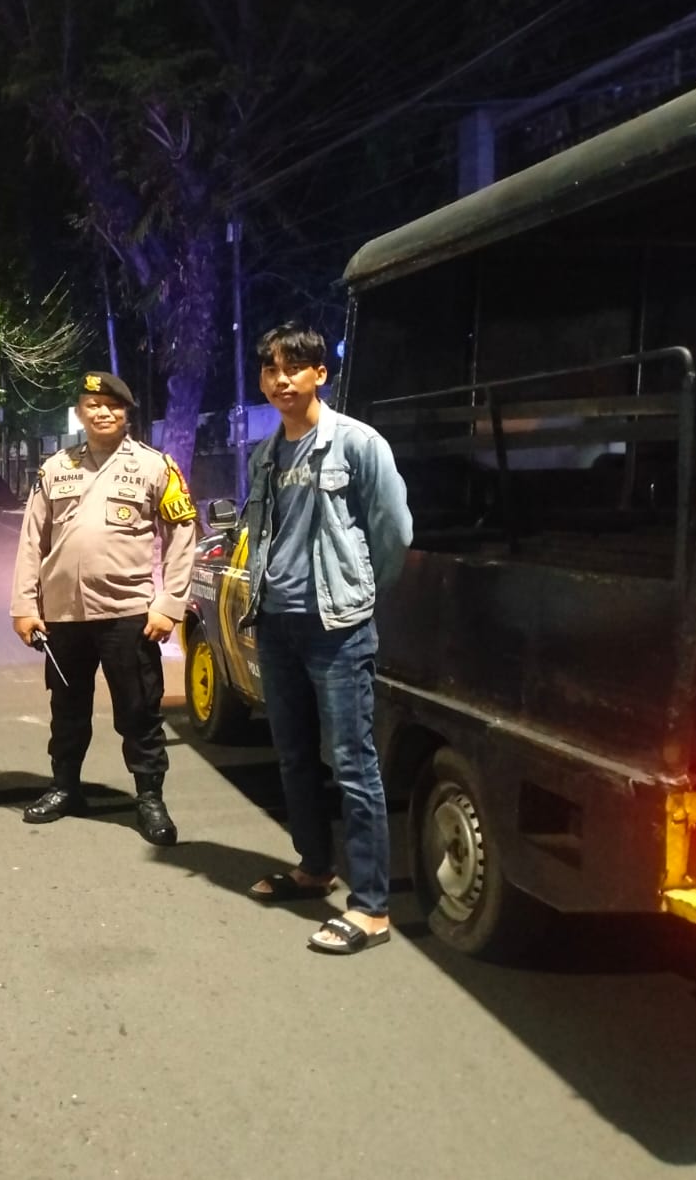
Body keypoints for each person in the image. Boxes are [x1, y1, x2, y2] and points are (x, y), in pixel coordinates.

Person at [240, 322, 413, 956]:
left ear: (320, 373)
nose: (280, 379)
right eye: (270, 369)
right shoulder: (265, 455)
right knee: (292, 755)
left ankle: (371, 908)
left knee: (352, 764)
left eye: (293, 367)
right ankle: (314, 868)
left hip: (336, 628)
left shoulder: (358, 444)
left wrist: (359, 594)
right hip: (277, 623)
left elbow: (393, 530)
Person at [10, 371, 199, 846]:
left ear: (126, 413)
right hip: (64, 616)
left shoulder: (155, 467)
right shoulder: (56, 468)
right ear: (80, 412)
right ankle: (65, 787)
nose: (102, 412)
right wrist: (25, 605)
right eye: (92, 404)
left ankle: (149, 798)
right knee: (66, 708)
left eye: (112, 405)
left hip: (128, 613)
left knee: (139, 711)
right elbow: (32, 539)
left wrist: (169, 603)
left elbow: (182, 535)